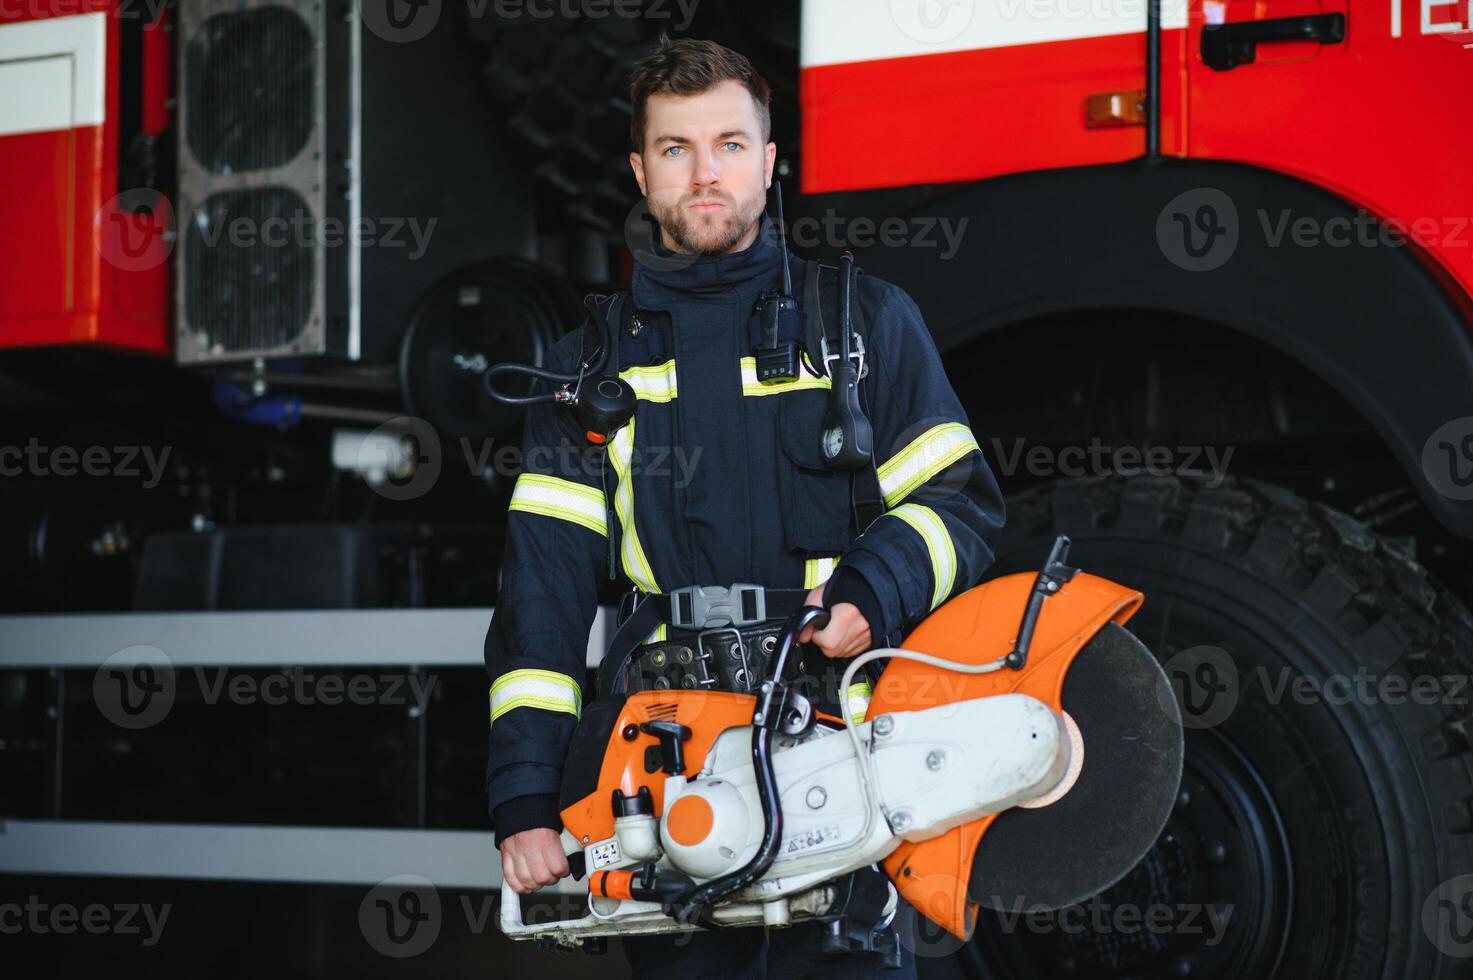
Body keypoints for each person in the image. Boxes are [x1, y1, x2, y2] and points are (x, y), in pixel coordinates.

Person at [484, 35, 1005, 978]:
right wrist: (525, 798)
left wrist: (872, 593)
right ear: (642, 173)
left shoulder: (862, 324)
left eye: (729, 144)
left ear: (769, 162)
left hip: (839, 749)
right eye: (676, 150)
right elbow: (542, 602)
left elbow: (958, 501)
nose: (705, 172)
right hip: (662, 771)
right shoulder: (584, 370)